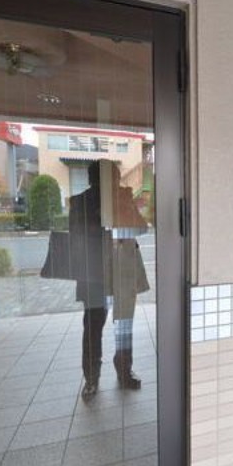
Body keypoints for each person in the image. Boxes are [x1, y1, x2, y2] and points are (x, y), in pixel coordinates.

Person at [69, 160, 149, 401]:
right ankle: (91, 377)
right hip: (94, 271)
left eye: (115, 177)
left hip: (122, 267)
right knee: (93, 325)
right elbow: (76, 236)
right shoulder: (81, 202)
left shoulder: (123, 198)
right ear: (95, 180)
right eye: (111, 177)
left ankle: (124, 370)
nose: (115, 182)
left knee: (123, 323)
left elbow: (140, 228)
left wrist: (126, 207)